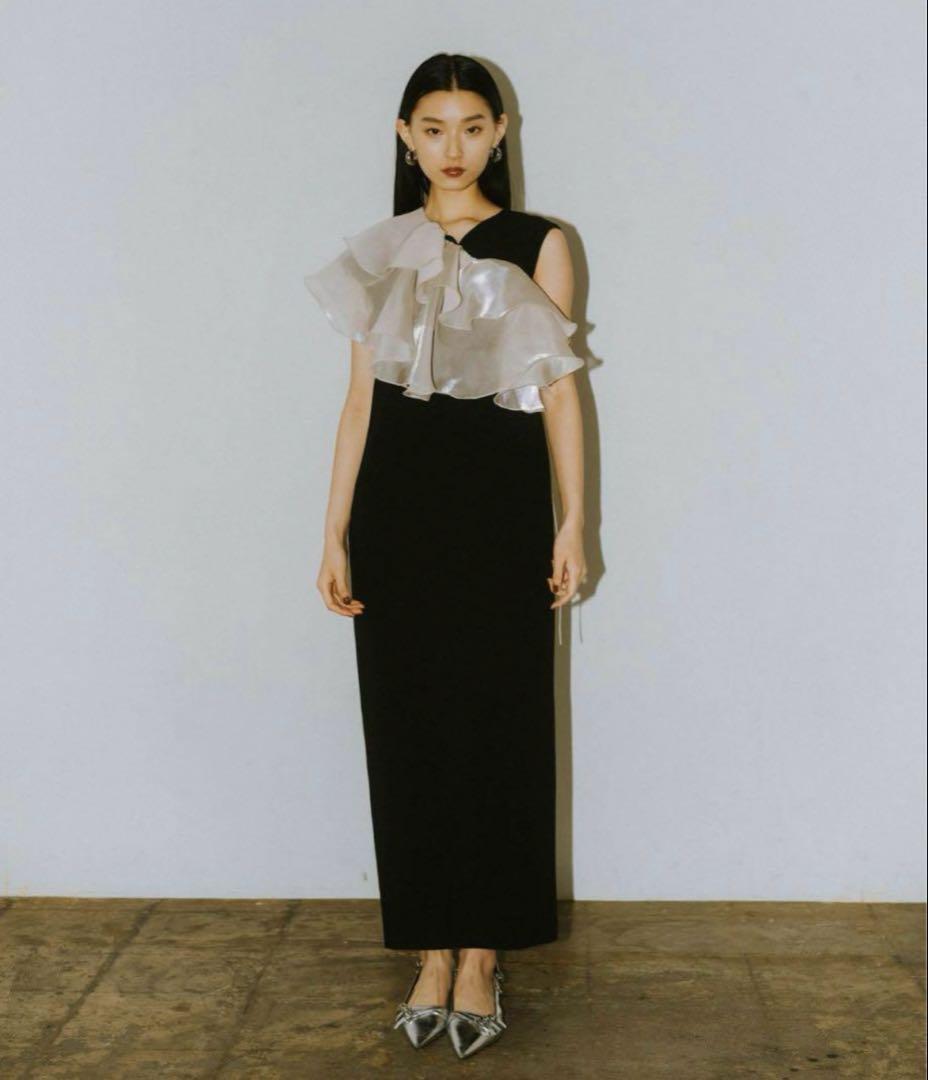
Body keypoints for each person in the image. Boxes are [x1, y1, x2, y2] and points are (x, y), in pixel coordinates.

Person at [304, 52, 587, 1060]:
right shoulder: (379, 252)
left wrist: (573, 522)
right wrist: (333, 530)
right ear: (405, 137)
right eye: (433, 127)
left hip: (501, 515)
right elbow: (358, 403)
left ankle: (482, 955)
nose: (453, 147)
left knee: (500, 723)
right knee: (410, 725)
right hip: (398, 517)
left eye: (472, 126)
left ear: (499, 134)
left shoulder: (540, 243)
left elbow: (559, 393)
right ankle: (430, 950)